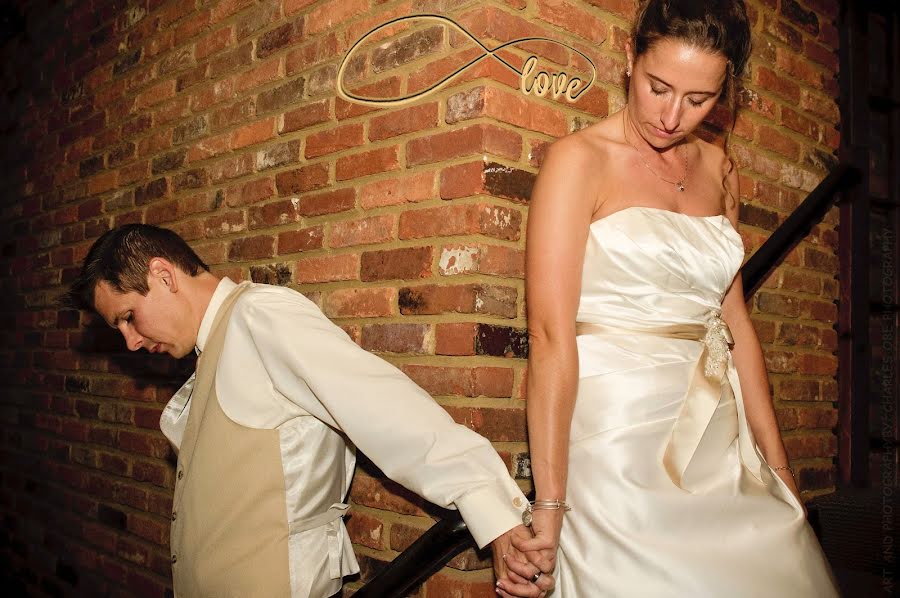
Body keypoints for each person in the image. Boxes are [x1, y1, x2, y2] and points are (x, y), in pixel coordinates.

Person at [512, 0, 840, 595]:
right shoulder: (577, 162)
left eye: (698, 100)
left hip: (719, 428)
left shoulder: (720, 169)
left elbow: (733, 321)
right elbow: (550, 337)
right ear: (629, 60)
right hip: (616, 437)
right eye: (657, 87)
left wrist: (779, 466)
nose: (670, 116)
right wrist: (551, 499)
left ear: (726, 93)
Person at [65, 224, 553, 598]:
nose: (129, 340)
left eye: (128, 317)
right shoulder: (221, 342)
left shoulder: (259, 317)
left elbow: (386, 410)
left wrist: (494, 513)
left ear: (162, 275)